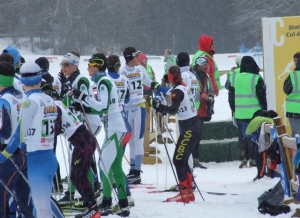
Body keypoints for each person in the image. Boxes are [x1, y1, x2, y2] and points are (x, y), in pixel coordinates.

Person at [69, 53, 130, 217]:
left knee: (104, 164)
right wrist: (82, 106)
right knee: (116, 166)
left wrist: (83, 97)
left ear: (97, 66)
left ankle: (107, 202)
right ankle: (123, 204)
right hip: (115, 126)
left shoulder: (103, 82)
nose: (88, 68)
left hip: (115, 126)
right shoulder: (104, 81)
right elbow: (103, 107)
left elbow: (102, 107)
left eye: (90, 65)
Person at [0, 62, 58, 217]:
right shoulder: (48, 99)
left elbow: (18, 134)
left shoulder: (29, 102)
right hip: (47, 157)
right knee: (36, 206)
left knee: (41, 209)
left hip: (36, 160)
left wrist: (3, 156)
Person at [40, 78, 100, 218]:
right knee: (76, 176)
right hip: (82, 142)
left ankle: (93, 207)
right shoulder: (57, 103)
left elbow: (56, 128)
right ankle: (90, 205)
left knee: (78, 176)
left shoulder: (54, 106)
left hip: (83, 143)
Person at [148, 66, 201, 203]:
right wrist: (158, 91)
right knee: (182, 159)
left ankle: (184, 192)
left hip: (190, 127)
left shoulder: (177, 91)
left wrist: (157, 106)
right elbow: (170, 93)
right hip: (192, 125)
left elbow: (172, 109)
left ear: (170, 78)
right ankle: (188, 191)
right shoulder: (182, 86)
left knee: (178, 159)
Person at [58, 51, 101, 205]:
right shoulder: (71, 79)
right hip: (79, 122)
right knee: (80, 158)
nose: (63, 68)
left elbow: (83, 101)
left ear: (75, 66)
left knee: (79, 158)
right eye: (62, 64)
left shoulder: (80, 79)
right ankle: (92, 187)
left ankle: (85, 191)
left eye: (66, 65)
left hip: (89, 121)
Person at [0, 61, 32, 218]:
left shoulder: (3, 100)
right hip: (27, 153)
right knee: (24, 202)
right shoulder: (21, 95)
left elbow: (4, 132)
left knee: (3, 198)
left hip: (9, 155)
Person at [119, 47, 152, 184]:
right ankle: (132, 170)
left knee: (138, 139)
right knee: (130, 140)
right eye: (136, 56)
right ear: (131, 57)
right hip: (126, 108)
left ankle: (136, 171)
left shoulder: (140, 69)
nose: (139, 58)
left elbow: (149, 84)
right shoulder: (122, 71)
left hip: (139, 106)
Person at [228, 56, 267, 168]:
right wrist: (264, 110)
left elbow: (231, 96)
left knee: (243, 137)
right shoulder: (256, 78)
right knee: (255, 137)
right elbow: (262, 96)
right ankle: (254, 158)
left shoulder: (235, 78)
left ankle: (243, 158)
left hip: (240, 114)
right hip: (255, 114)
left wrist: (234, 109)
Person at [192, 56, 215, 169]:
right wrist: (201, 96)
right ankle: (190, 160)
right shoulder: (191, 76)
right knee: (192, 136)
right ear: (199, 66)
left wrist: (208, 98)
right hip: (192, 111)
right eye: (205, 65)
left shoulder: (206, 77)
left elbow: (211, 92)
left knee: (198, 136)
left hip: (202, 111)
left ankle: (195, 160)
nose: (207, 67)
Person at [284, 56, 300, 136]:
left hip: (294, 111)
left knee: (296, 134)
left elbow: (286, 89)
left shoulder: (293, 75)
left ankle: (295, 147)